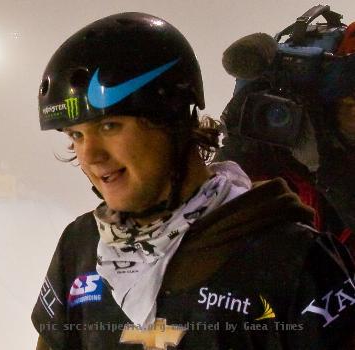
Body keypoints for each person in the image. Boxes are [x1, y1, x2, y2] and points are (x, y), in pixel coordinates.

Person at [32, 12, 355, 350]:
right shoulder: (81, 246)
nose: (90, 155)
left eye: (109, 126)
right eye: (76, 135)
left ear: (172, 118)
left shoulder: (295, 261)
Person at [216, 16, 355, 257]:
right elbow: (208, 222)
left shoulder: (323, 163)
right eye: (349, 104)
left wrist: (325, 167)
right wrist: (237, 144)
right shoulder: (278, 165)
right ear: (324, 108)